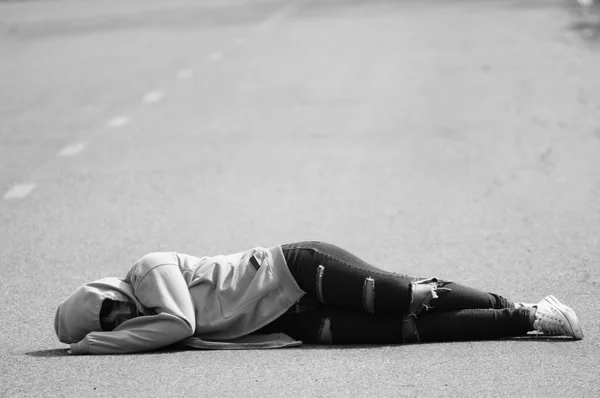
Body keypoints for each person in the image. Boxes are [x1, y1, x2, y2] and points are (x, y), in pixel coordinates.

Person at [54, 241, 584, 354]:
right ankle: (522, 320)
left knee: (408, 297)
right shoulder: (139, 326)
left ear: (106, 289)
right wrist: (110, 337)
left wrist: (90, 347)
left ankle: (528, 309)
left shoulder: (147, 274)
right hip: (296, 320)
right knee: (407, 332)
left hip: (297, 271)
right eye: (106, 320)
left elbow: (181, 322)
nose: (119, 314)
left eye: (108, 307)